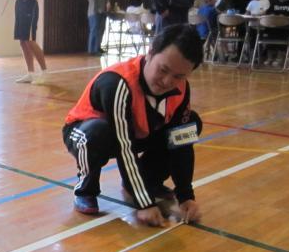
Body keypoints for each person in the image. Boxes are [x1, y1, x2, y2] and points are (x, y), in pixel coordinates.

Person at [62, 24, 204, 226]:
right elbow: (124, 147)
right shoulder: (117, 83)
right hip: (87, 131)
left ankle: (148, 181)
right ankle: (86, 188)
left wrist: (186, 196)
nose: (167, 81)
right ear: (150, 52)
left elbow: (182, 144)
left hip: (137, 132)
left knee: (189, 124)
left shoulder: (182, 89)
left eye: (179, 76)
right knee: (98, 133)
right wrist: (144, 203)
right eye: (163, 70)